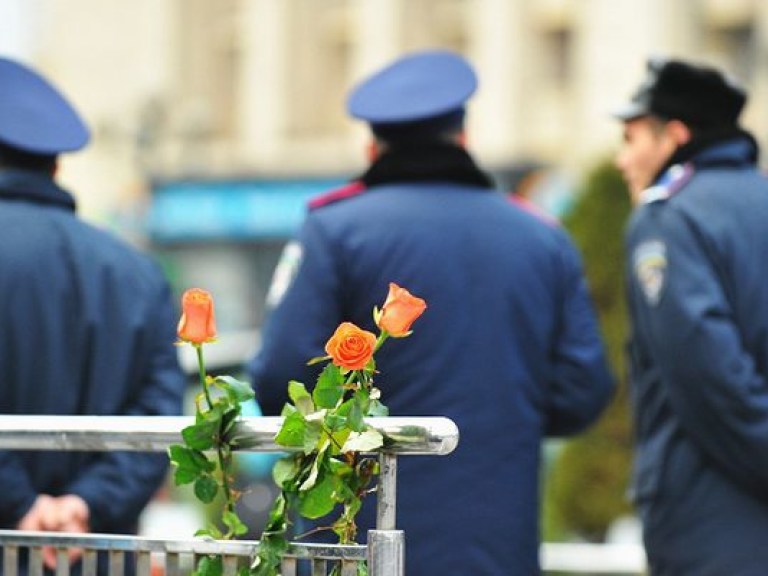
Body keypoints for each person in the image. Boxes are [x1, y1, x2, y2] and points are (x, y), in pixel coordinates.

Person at [249, 49, 614, 575]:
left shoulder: (335, 229)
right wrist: (499, 423)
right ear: (463, 137)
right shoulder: (540, 237)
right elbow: (584, 390)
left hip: (363, 541)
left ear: (372, 144)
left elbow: (279, 377)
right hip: (499, 544)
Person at [0, 57, 186, 573]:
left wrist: (22, 503)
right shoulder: (136, 269)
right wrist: (84, 503)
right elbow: (160, 414)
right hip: (95, 554)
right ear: (56, 165)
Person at [614, 58, 768, 575]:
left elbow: (710, 377)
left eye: (631, 139)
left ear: (674, 137)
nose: (621, 160)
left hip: (713, 516)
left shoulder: (670, 218)